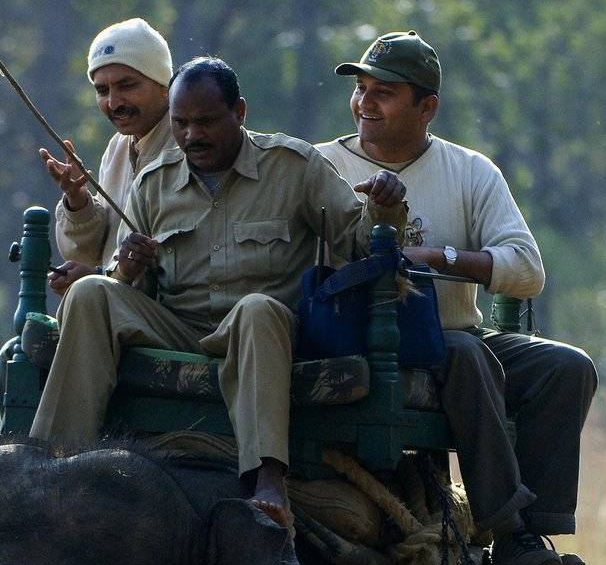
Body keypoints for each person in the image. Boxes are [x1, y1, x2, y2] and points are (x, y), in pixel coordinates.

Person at [30, 56, 405, 527]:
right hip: (179, 327)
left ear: (240, 112)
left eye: (206, 121)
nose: (192, 136)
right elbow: (135, 285)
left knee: (257, 308)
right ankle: (52, 464)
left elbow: (360, 242)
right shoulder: (154, 182)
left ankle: (267, 478)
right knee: (90, 293)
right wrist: (125, 267)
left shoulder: (294, 166)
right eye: (181, 124)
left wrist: (387, 210)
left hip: (260, 335)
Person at [319, 31, 596, 565]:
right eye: (361, 89)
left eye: (385, 93)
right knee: (466, 355)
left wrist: (442, 257)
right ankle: (509, 533)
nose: (364, 103)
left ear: (428, 108)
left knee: (568, 367)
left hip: (452, 329)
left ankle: (538, 527)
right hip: (360, 344)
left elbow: (526, 269)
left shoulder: (470, 171)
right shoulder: (318, 166)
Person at [39, 18, 175, 295]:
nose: (113, 103)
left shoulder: (189, 144)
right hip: (115, 307)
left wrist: (98, 276)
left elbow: (175, 260)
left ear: (163, 85)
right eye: (102, 90)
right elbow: (90, 253)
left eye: (127, 86)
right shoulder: (118, 148)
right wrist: (78, 202)